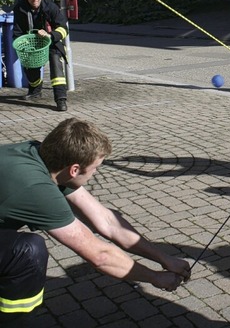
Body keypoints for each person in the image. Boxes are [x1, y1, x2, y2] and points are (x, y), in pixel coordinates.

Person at [0, 118, 191, 327]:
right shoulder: (37, 188)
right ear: (74, 169)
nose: (96, 173)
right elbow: (99, 256)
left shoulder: (43, 156)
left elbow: (107, 221)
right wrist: (155, 277)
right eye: (96, 167)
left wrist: (164, 259)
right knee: (28, 251)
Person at [12, 0, 69, 111]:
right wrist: (22, 43)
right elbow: (17, 31)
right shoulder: (19, 8)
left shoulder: (51, 7)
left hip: (52, 42)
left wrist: (50, 35)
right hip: (31, 44)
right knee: (30, 66)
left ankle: (61, 99)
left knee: (56, 65)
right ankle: (35, 91)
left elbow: (64, 28)